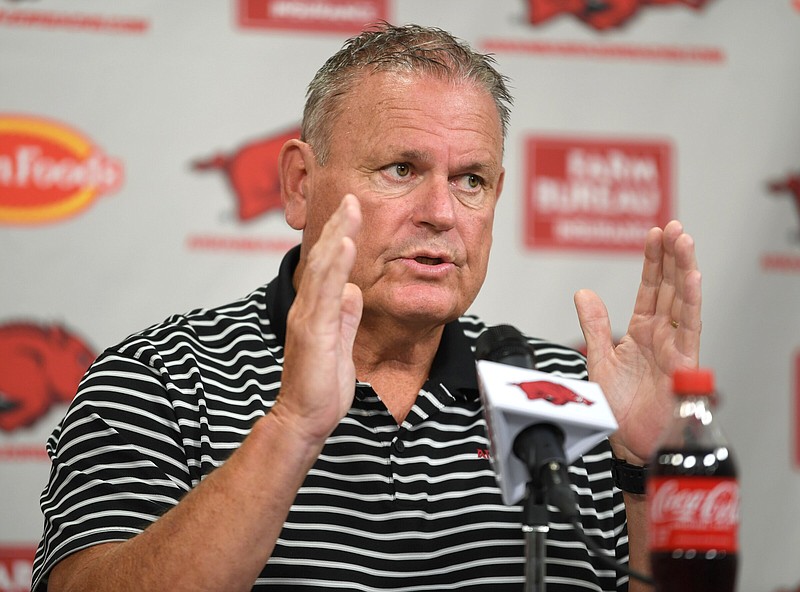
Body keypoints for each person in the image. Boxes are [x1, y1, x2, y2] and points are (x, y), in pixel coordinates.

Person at [31, 22, 701, 592]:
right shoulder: (161, 378)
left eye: (470, 180)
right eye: (401, 170)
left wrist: (647, 472)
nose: (440, 214)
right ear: (300, 184)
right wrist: (292, 427)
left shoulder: (556, 390)